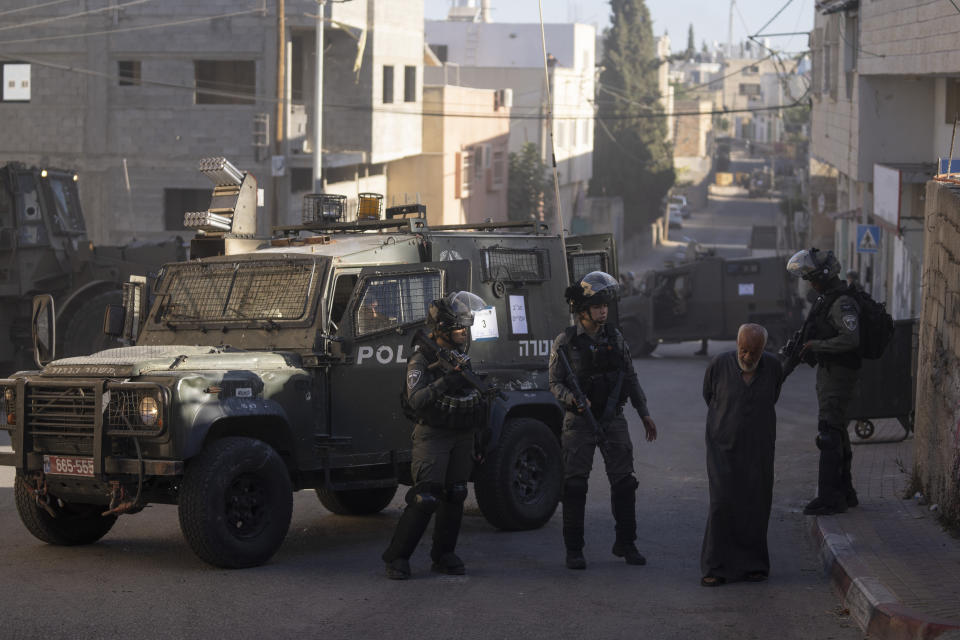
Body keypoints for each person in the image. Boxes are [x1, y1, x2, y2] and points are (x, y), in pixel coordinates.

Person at [549, 271, 658, 570]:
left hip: (612, 418)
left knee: (624, 483)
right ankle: (574, 550)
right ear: (583, 311)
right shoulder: (566, 341)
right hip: (580, 421)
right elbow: (554, 383)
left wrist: (644, 412)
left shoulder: (616, 337)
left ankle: (626, 543)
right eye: (597, 306)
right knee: (574, 486)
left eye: (605, 305)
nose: (603, 310)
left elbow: (631, 377)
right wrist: (573, 399)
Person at [381, 291, 489, 579]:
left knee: (456, 493)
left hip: (462, 433)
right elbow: (416, 400)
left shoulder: (460, 354)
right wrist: (445, 381)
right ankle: (397, 558)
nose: (464, 332)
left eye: (466, 327)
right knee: (425, 496)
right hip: (434, 434)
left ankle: (444, 554)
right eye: (458, 327)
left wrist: (478, 439)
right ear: (442, 328)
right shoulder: (422, 357)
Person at [700, 324, 783, 587]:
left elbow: (773, 396)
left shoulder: (772, 367)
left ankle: (754, 565)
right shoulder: (719, 364)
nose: (748, 357)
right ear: (737, 345)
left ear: (763, 350)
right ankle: (715, 566)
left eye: (754, 352)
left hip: (759, 447)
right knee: (722, 503)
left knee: (756, 503)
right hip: (722, 446)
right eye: (744, 350)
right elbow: (708, 395)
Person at [785, 248, 861, 516]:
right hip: (830, 372)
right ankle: (846, 492)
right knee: (837, 430)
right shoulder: (826, 299)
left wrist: (818, 345)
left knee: (828, 433)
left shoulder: (842, 302)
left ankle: (831, 498)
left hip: (840, 374)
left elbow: (851, 339)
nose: (810, 282)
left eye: (812, 277)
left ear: (825, 276)